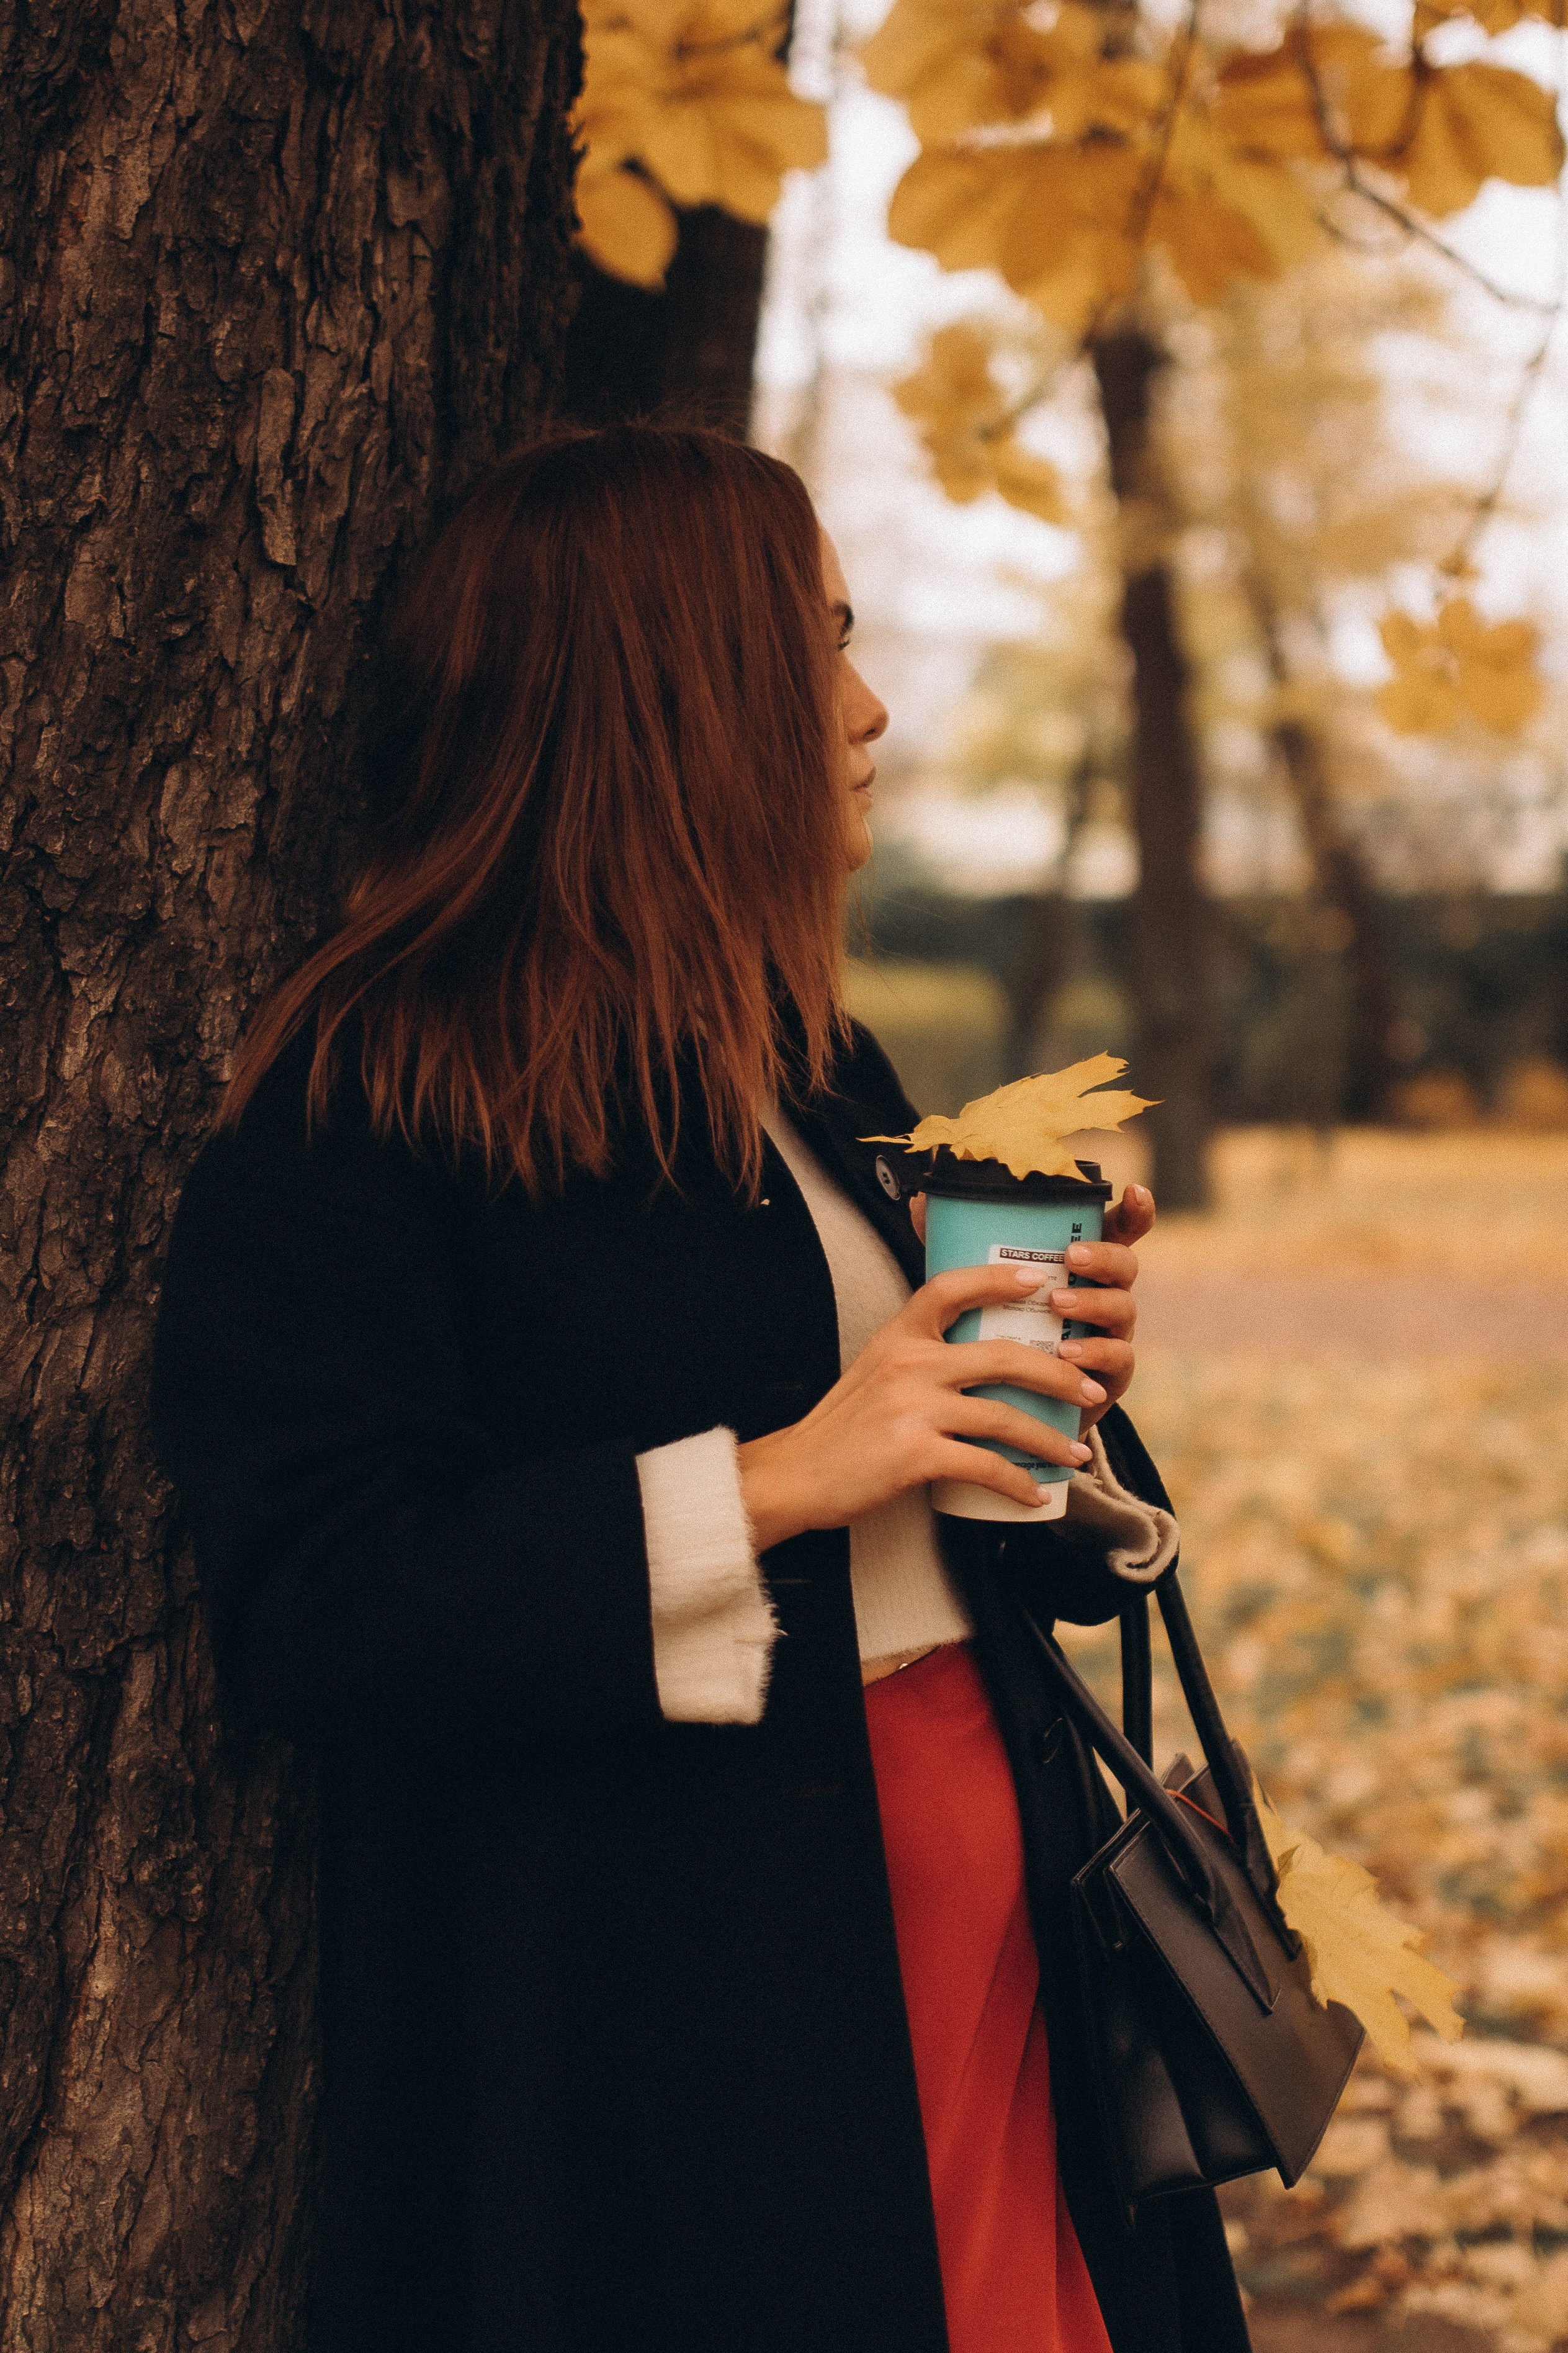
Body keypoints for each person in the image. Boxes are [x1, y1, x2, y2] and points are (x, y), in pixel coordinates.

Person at [151, 424, 1249, 2353]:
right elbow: (317, 1600)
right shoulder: (367, 1102)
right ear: (673, 691)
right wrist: (773, 1479)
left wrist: (1046, 1405)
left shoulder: (806, 1058)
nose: (869, 709)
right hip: (690, 2000)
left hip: (992, 1883)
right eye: (819, 648)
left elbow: (930, 1505)